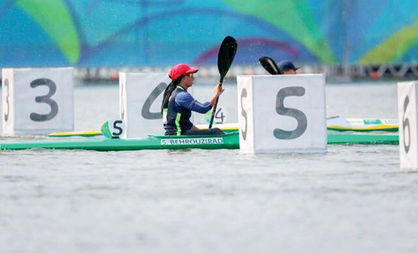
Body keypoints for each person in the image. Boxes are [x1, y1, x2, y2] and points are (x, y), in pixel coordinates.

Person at [161, 63, 224, 136]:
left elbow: (185, 123)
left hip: (175, 134)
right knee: (216, 132)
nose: (193, 78)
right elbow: (203, 108)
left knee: (211, 132)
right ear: (182, 78)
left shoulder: (175, 93)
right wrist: (216, 94)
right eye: (191, 75)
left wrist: (203, 134)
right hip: (178, 135)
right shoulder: (181, 96)